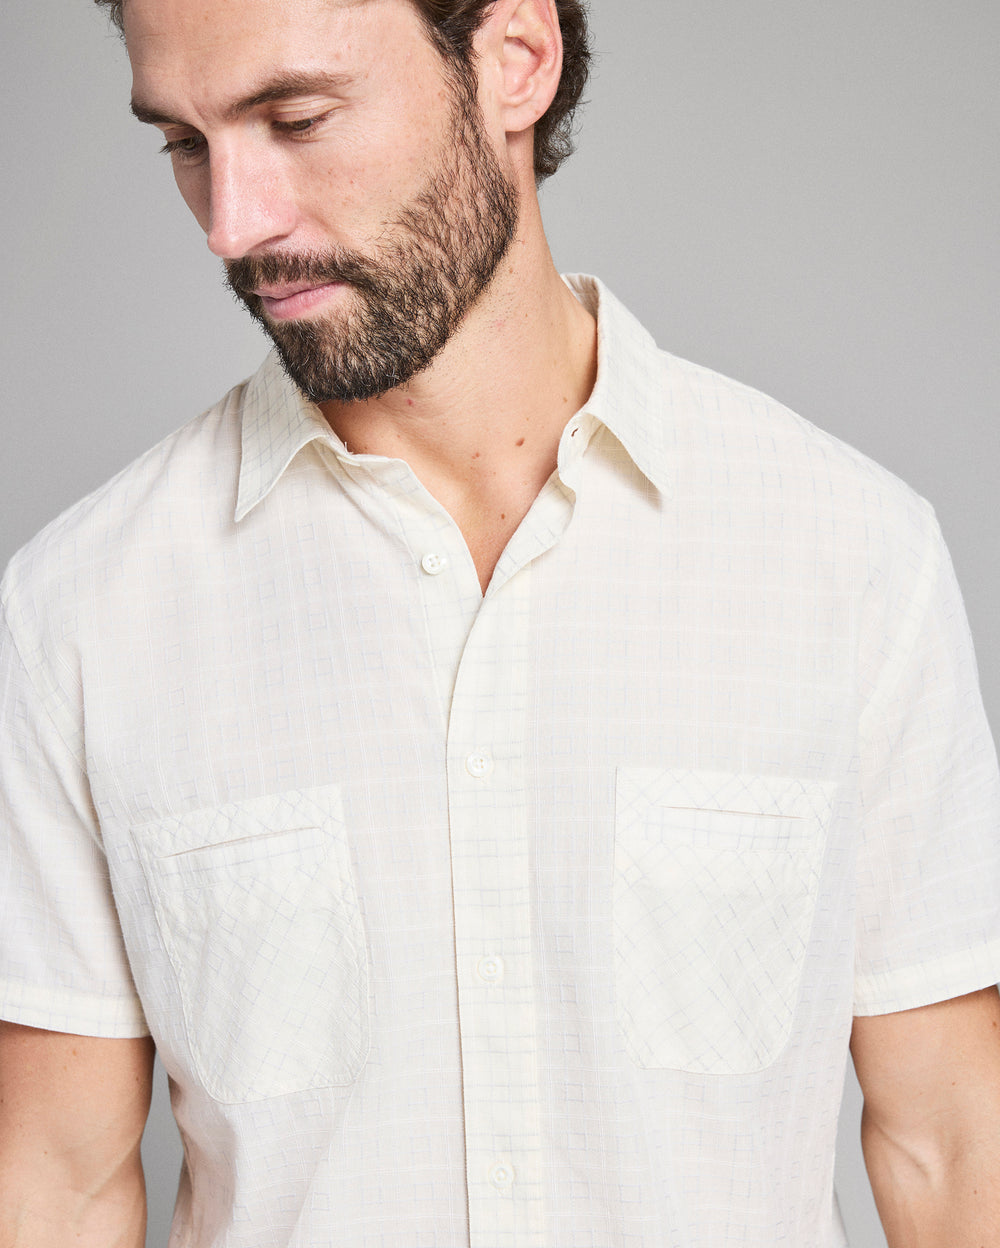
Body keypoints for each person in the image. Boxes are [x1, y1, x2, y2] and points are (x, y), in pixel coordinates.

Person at [1, 0, 999, 1244]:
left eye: (296, 120)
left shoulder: (849, 556)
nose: (232, 225)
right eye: (185, 144)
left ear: (514, 60)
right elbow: (56, 1185)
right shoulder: (83, 611)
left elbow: (952, 1153)